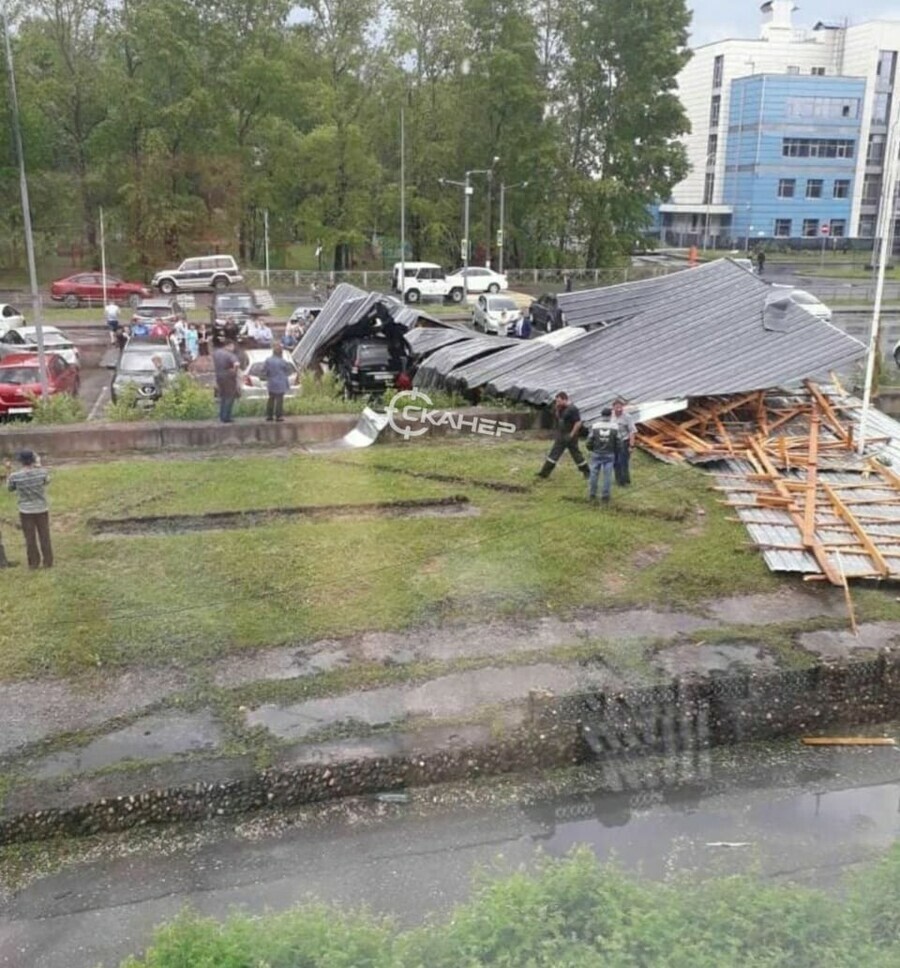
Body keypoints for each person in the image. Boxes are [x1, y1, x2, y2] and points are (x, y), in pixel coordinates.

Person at [5, 449, 52, 569]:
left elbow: (10, 488)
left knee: (30, 538)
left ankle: (34, 563)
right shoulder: (42, 472)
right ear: (33, 460)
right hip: (41, 509)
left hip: (25, 510)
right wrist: (39, 465)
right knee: (44, 535)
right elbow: (47, 481)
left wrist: (8, 470)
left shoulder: (16, 476)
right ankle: (48, 561)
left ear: (20, 461)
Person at [536, 391, 590, 480]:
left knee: (576, 455)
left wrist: (571, 434)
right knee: (554, 453)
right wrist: (557, 408)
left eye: (559, 401)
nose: (557, 403)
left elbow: (578, 422)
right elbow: (559, 418)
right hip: (561, 435)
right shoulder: (561, 408)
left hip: (570, 435)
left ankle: (587, 472)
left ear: (565, 399)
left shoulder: (573, 409)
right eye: (556, 401)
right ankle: (544, 473)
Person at [587, 409, 618, 504]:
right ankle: (605, 496)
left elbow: (589, 440)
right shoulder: (615, 426)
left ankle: (592, 493)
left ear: (601, 415)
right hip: (609, 453)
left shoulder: (595, 426)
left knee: (593, 474)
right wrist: (616, 451)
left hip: (596, 453)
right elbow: (618, 441)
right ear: (610, 415)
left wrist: (591, 449)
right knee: (607, 475)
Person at [261, 342, 294, 422]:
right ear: (281, 352)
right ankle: (278, 416)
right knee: (279, 400)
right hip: (281, 382)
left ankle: (269, 416)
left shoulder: (268, 360)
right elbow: (289, 371)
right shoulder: (282, 361)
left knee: (271, 399)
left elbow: (264, 371)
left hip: (271, 382)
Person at [213, 339, 241, 423]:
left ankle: (222, 416)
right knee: (229, 396)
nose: (233, 348)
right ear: (229, 345)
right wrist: (234, 370)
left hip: (219, 376)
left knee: (223, 396)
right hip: (229, 377)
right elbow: (236, 364)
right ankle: (227, 417)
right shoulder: (230, 355)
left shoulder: (216, 353)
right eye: (232, 346)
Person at [611, 398, 637, 486]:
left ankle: (625, 481)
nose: (619, 409)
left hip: (624, 442)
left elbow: (632, 431)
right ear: (613, 408)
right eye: (617, 407)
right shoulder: (611, 416)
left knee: (623, 461)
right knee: (615, 462)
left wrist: (631, 445)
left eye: (620, 407)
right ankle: (618, 480)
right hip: (614, 442)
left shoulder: (627, 417)